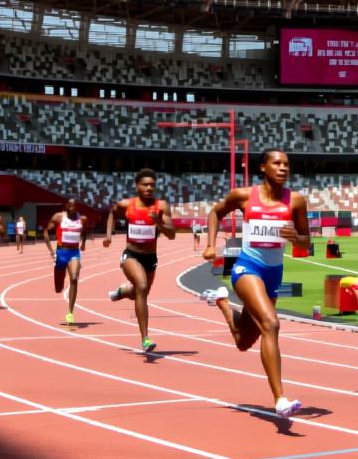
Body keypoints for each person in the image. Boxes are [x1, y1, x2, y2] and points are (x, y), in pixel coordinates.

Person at [201, 149, 310, 419]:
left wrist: (297, 237)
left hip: (274, 274)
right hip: (247, 268)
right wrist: (211, 245)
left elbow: (307, 243)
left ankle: (222, 303)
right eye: (277, 163)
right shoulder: (243, 196)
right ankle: (280, 399)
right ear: (263, 167)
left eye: (286, 164)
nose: (283, 168)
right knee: (271, 324)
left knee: (243, 340)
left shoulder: (296, 201)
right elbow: (215, 213)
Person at [104, 168, 175, 353]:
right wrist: (109, 236)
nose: (149, 188)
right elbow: (112, 213)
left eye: (152, 185)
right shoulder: (127, 205)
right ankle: (145, 339)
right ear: (137, 186)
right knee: (142, 286)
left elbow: (172, 234)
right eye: (145, 184)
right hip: (131, 255)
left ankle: (122, 291)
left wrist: (158, 222)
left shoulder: (161, 206)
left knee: (139, 293)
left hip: (150, 258)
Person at [44, 198, 88, 325]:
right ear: (66, 206)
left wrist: (83, 243)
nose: (73, 208)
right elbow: (46, 231)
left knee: (74, 278)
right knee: (58, 288)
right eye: (71, 206)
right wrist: (51, 251)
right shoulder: (59, 217)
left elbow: (85, 231)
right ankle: (59, 285)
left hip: (74, 253)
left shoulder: (82, 219)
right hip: (61, 253)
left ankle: (70, 312)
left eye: (75, 206)